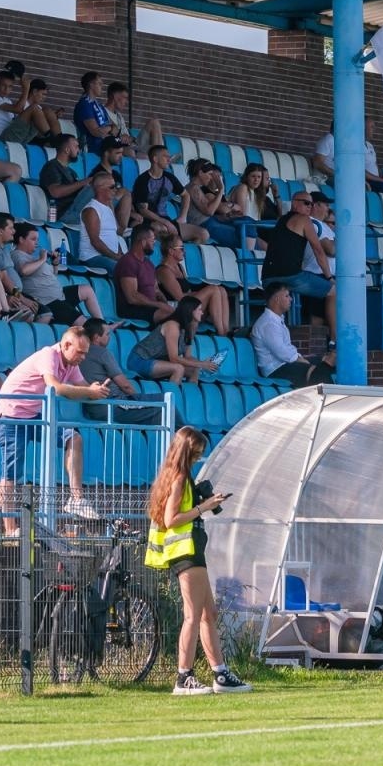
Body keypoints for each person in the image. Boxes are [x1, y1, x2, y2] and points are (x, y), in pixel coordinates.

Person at [144, 426, 252, 694]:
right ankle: (184, 676)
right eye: (196, 454)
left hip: (192, 551)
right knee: (193, 615)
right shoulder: (179, 478)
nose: (197, 458)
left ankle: (220, 673)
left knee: (208, 614)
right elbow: (171, 520)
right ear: (186, 452)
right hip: (185, 552)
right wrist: (204, 507)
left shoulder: (177, 476)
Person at [0, 327, 113, 531]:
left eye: (85, 353)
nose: (83, 357)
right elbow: (55, 387)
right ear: (66, 345)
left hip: (33, 415)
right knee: (11, 474)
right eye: (80, 352)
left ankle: (76, 499)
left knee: (74, 438)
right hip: (11, 415)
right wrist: (89, 391)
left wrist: (97, 389)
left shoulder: (70, 362)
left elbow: (82, 387)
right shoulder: (48, 354)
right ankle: (10, 530)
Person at [261, 191, 334, 326]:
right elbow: (319, 251)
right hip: (291, 275)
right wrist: (329, 278)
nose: (310, 207)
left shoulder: (281, 220)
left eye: (312, 205)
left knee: (277, 308)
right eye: (306, 203)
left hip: (267, 276)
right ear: (294, 203)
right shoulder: (304, 219)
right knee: (334, 292)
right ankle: (335, 340)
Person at [11, 222, 105, 327]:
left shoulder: (33, 258)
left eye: (37, 240)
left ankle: (102, 325)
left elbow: (53, 276)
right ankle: (98, 330)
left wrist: (55, 264)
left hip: (59, 295)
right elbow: (24, 271)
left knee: (87, 290)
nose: (36, 243)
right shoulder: (17, 255)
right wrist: (42, 259)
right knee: (82, 322)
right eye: (33, 239)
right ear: (21, 240)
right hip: (47, 301)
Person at [126, 296, 220, 385]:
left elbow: (187, 356)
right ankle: (170, 400)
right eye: (199, 309)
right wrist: (201, 364)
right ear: (191, 311)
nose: (202, 313)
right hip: (140, 360)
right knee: (178, 368)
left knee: (194, 369)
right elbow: (174, 358)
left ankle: (189, 400)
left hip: (158, 362)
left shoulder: (189, 329)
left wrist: (204, 363)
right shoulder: (172, 326)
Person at [132, 145, 204, 242]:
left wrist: (182, 217)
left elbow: (186, 195)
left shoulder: (169, 178)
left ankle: (182, 253)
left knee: (203, 234)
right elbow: (143, 211)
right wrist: (165, 222)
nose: (169, 159)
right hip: (147, 221)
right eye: (165, 156)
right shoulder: (143, 180)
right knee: (164, 230)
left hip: (166, 221)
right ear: (155, 159)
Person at [0, 69, 60, 144]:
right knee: (33, 108)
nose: (6, 89)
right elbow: (18, 109)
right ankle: (51, 140)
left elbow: (17, 117)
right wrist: (26, 89)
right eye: (3, 85)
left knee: (47, 111)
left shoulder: (7, 101)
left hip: (14, 134)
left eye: (10, 86)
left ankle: (60, 140)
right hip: (0, 138)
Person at [310, 120, 383, 191]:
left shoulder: (340, 143)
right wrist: (338, 175)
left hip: (338, 178)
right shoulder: (328, 140)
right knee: (353, 188)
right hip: (325, 178)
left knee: (361, 186)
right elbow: (317, 163)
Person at [79, 173, 128, 274]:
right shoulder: (91, 210)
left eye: (117, 186)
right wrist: (116, 257)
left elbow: (115, 235)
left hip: (108, 257)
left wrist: (120, 254)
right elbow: (95, 242)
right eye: (112, 187)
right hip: (92, 258)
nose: (116, 190)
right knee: (124, 271)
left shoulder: (108, 208)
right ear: (100, 189)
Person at [103, 80, 163, 154]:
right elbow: (104, 136)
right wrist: (119, 138)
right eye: (125, 97)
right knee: (132, 152)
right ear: (115, 96)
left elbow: (129, 138)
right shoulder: (101, 112)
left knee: (154, 122)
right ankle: (161, 157)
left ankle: (162, 156)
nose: (126, 102)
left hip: (132, 146)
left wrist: (129, 138)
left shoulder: (119, 116)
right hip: (117, 149)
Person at [39, 134, 91, 218]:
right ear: (67, 150)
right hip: (62, 214)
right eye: (76, 147)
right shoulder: (52, 166)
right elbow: (56, 192)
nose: (79, 150)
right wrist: (84, 182)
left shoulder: (71, 172)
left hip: (75, 211)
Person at [227, 162, 280, 227]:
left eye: (259, 177)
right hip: (242, 227)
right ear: (247, 177)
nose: (256, 180)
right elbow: (242, 215)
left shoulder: (256, 194)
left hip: (253, 226)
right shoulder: (243, 187)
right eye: (253, 176)